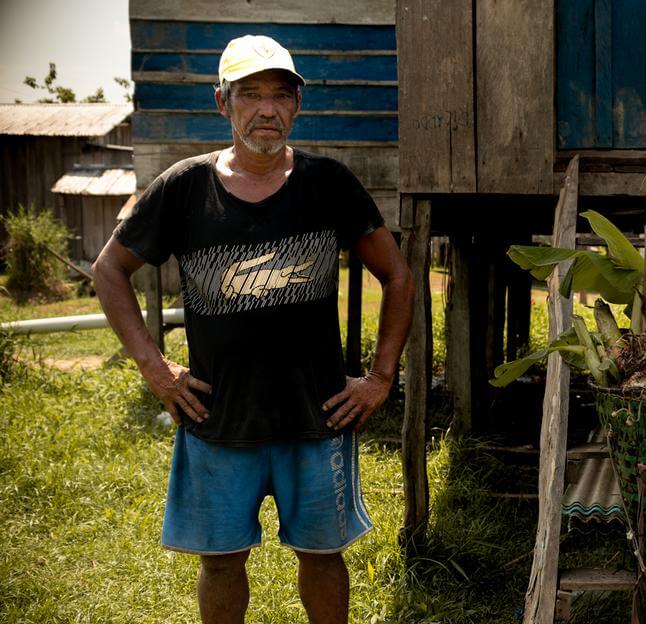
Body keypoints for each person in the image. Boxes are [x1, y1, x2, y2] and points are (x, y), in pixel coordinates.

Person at [92, 34, 413, 623]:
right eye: (250, 94)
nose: (267, 109)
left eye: (281, 95)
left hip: (317, 419)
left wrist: (380, 377)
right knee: (220, 563)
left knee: (323, 557)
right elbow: (110, 269)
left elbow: (396, 275)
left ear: (297, 106)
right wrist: (154, 367)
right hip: (216, 420)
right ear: (223, 102)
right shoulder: (184, 188)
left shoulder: (328, 184)